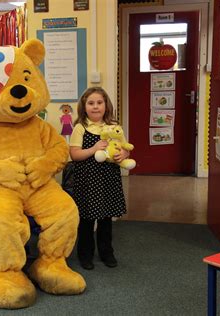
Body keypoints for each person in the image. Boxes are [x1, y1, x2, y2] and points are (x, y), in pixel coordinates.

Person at [69, 87, 130, 270]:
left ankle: (107, 253)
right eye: (91, 103)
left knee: (105, 220)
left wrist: (123, 155)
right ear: (84, 106)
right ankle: (85, 255)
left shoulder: (113, 126)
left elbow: (124, 148)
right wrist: (93, 149)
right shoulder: (80, 127)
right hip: (87, 182)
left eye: (99, 103)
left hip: (108, 180)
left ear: (106, 105)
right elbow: (74, 154)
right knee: (86, 221)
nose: (95, 107)